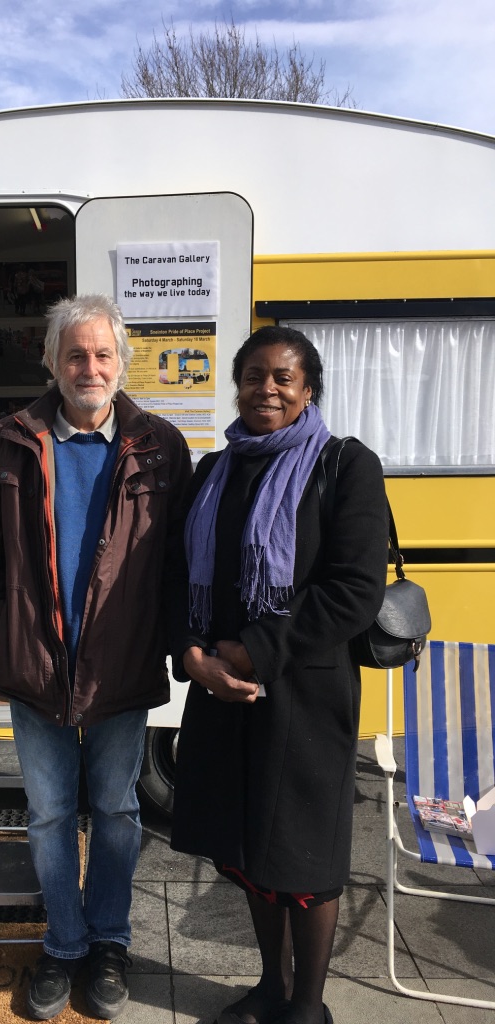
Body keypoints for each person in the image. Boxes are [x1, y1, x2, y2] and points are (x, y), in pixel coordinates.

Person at [0, 293, 192, 1020]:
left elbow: (181, 560)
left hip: (121, 666)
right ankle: (63, 943)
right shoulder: (9, 441)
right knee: (51, 814)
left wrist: (174, 643)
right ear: (52, 363)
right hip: (37, 667)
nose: (90, 367)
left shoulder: (160, 445)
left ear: (122, 363)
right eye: (76, 354)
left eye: (103, 354)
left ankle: (109, 942)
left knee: (117, 810)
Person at [170, 325, 388, 1024]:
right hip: (223, 696)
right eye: (253, 375)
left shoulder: (346, 465)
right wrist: (193, 655)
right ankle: (270, 986)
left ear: (308, 389)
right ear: (237, 386)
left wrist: (252, 650)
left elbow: (354, 592)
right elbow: (178, 575)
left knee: (303, 857)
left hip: (305, 696)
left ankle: (308, 1006)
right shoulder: (215, 470)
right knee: (246, 851)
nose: (266, 388)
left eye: (283, 377)